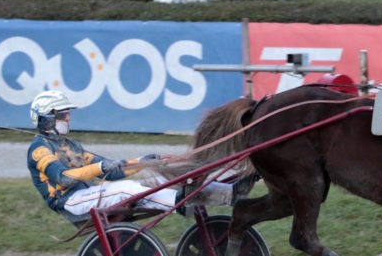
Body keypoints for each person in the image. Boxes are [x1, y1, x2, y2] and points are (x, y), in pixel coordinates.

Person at [26, 89, 241, 222]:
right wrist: (101, 168)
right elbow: (63, 177)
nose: (68, 118)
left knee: (158, 178)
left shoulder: (70, 145)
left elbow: (111, 170)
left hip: (88, 193)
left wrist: (143, 161)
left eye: (68, 114)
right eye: (63, 114)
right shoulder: (39, 149)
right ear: (46, 119)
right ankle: (178, 202)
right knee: (125, 189)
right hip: (69, 200)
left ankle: (229, 193)